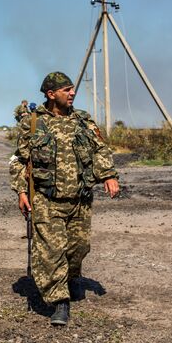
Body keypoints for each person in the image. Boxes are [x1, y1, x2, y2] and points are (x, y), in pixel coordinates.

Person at [10, 72, 119, 326]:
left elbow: (100, 148)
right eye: (66, 90)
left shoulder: (83, 120)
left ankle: (69, 280)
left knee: (78, 249)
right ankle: (60, 302)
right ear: (51, 94)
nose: (72, 93)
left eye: (72, 89)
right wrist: (21, 191)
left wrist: (108, 175)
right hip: (47, 200)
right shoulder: (32, 123)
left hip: (80, 200)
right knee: (52, 251)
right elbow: (20, 159)